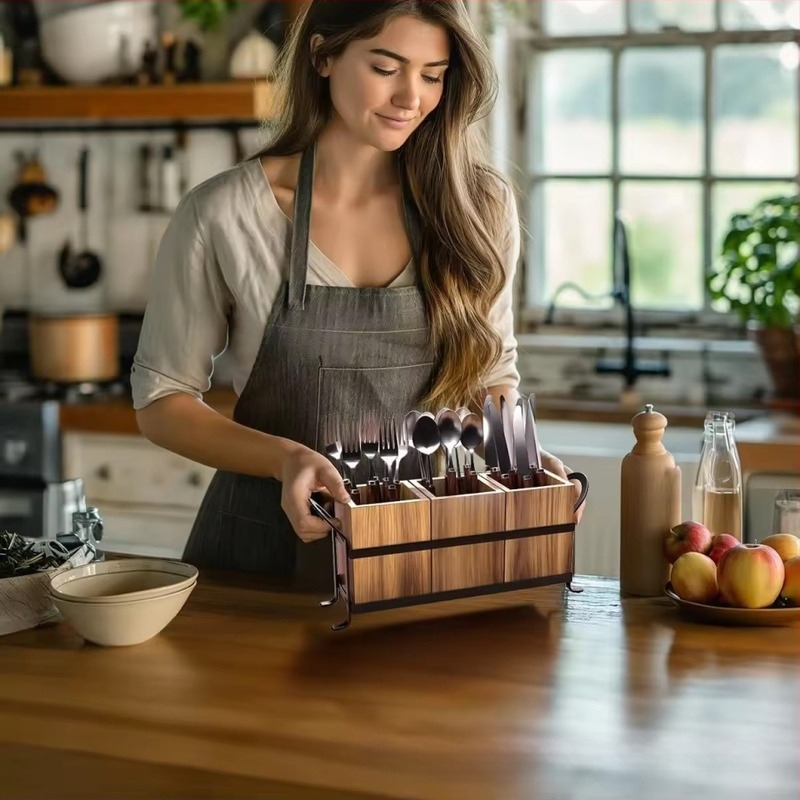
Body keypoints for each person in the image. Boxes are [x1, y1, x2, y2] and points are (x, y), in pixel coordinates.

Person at [132, 0, 581, 583]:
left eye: (432, 75)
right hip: (264, 558)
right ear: (322, 56)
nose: (410, 98)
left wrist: (521, 466)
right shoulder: (226, 214)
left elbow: (490, 373)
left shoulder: (477, 208)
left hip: (419, 553)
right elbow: (161, 403)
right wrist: (283, 458)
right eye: (386, 68)